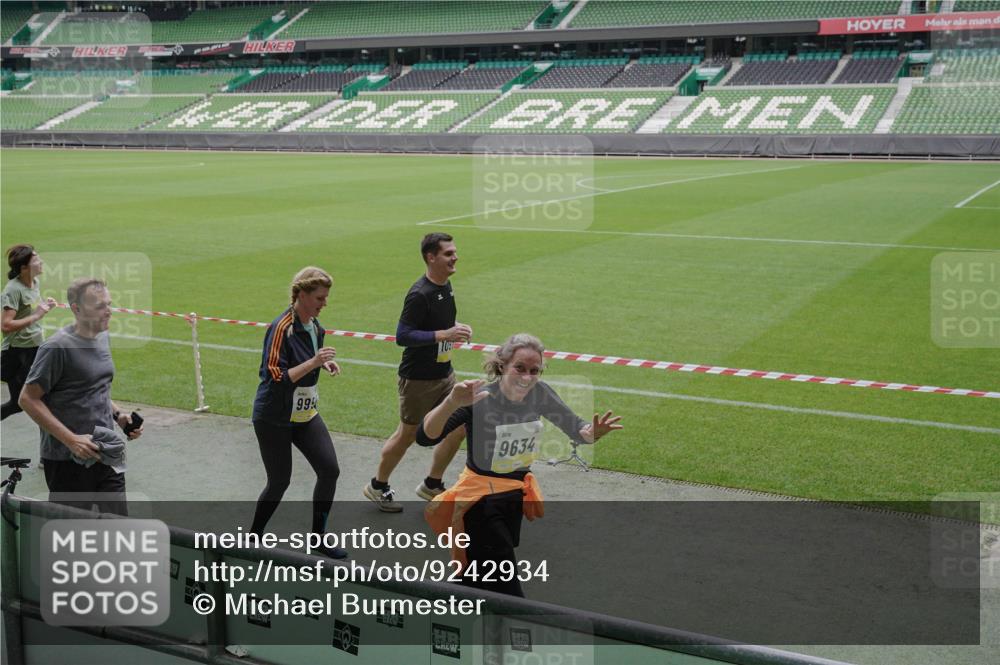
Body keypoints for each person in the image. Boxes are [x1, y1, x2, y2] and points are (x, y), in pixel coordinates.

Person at [419, 333, 622, 596]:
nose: (527, 377)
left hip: (513, 498)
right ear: (502, 365)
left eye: (534, 370)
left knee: (476, 578)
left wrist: (591, 432)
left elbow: (576, 429)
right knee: (509, 591)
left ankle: (425, 607)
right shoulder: (479, 398)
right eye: (520, 368)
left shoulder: (539, 393)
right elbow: (426, 436)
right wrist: (451, 402)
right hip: (479, 504)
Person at [363, 233, 471, 512]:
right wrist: (444, 334)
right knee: (407, 435)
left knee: (458, 428)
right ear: (431, 257)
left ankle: (431, 483)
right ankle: (378, 485)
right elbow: (403, 335)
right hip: (419, 380)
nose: (454, 257)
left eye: (454, 252)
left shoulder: (446, 286)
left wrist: (456, 328)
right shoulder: (419, 293)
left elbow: (438, 324)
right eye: (448, 254)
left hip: (445, 374)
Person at [19, 277, 143, 516]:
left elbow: (94, 389)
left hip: (106, 452)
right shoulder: (57, 347)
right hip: (67, 461)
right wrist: (71, 440)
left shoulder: (102, 337)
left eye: (109, 304)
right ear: (76, 309)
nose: (108, 311)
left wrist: (120, 417)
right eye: (99, 306)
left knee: (118, 527)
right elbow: (28, 398)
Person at [250, 267, 346, 559]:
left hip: (304, 415)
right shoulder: (281, 328)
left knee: (330, 470)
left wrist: (322, 364)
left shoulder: (316, 326)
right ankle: (253, 539)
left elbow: (308, 364)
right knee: (279, 481)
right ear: (301, 295)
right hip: (274, 416)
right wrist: (314, 361)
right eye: (319, 297)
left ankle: (318, 538)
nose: (324, 303)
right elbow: (273, 375)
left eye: (326, 297)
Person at [2, 244, 57, 420]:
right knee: (37, 399)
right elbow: (6, 325)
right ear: (24, 267)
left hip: (35, 348)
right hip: (17, 352)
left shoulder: (35, 282)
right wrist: (37, 315)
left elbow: (30, 308)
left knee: (20, 403)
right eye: (36, 259)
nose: (41, 261)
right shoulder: (13, 290)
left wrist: (45, 305)